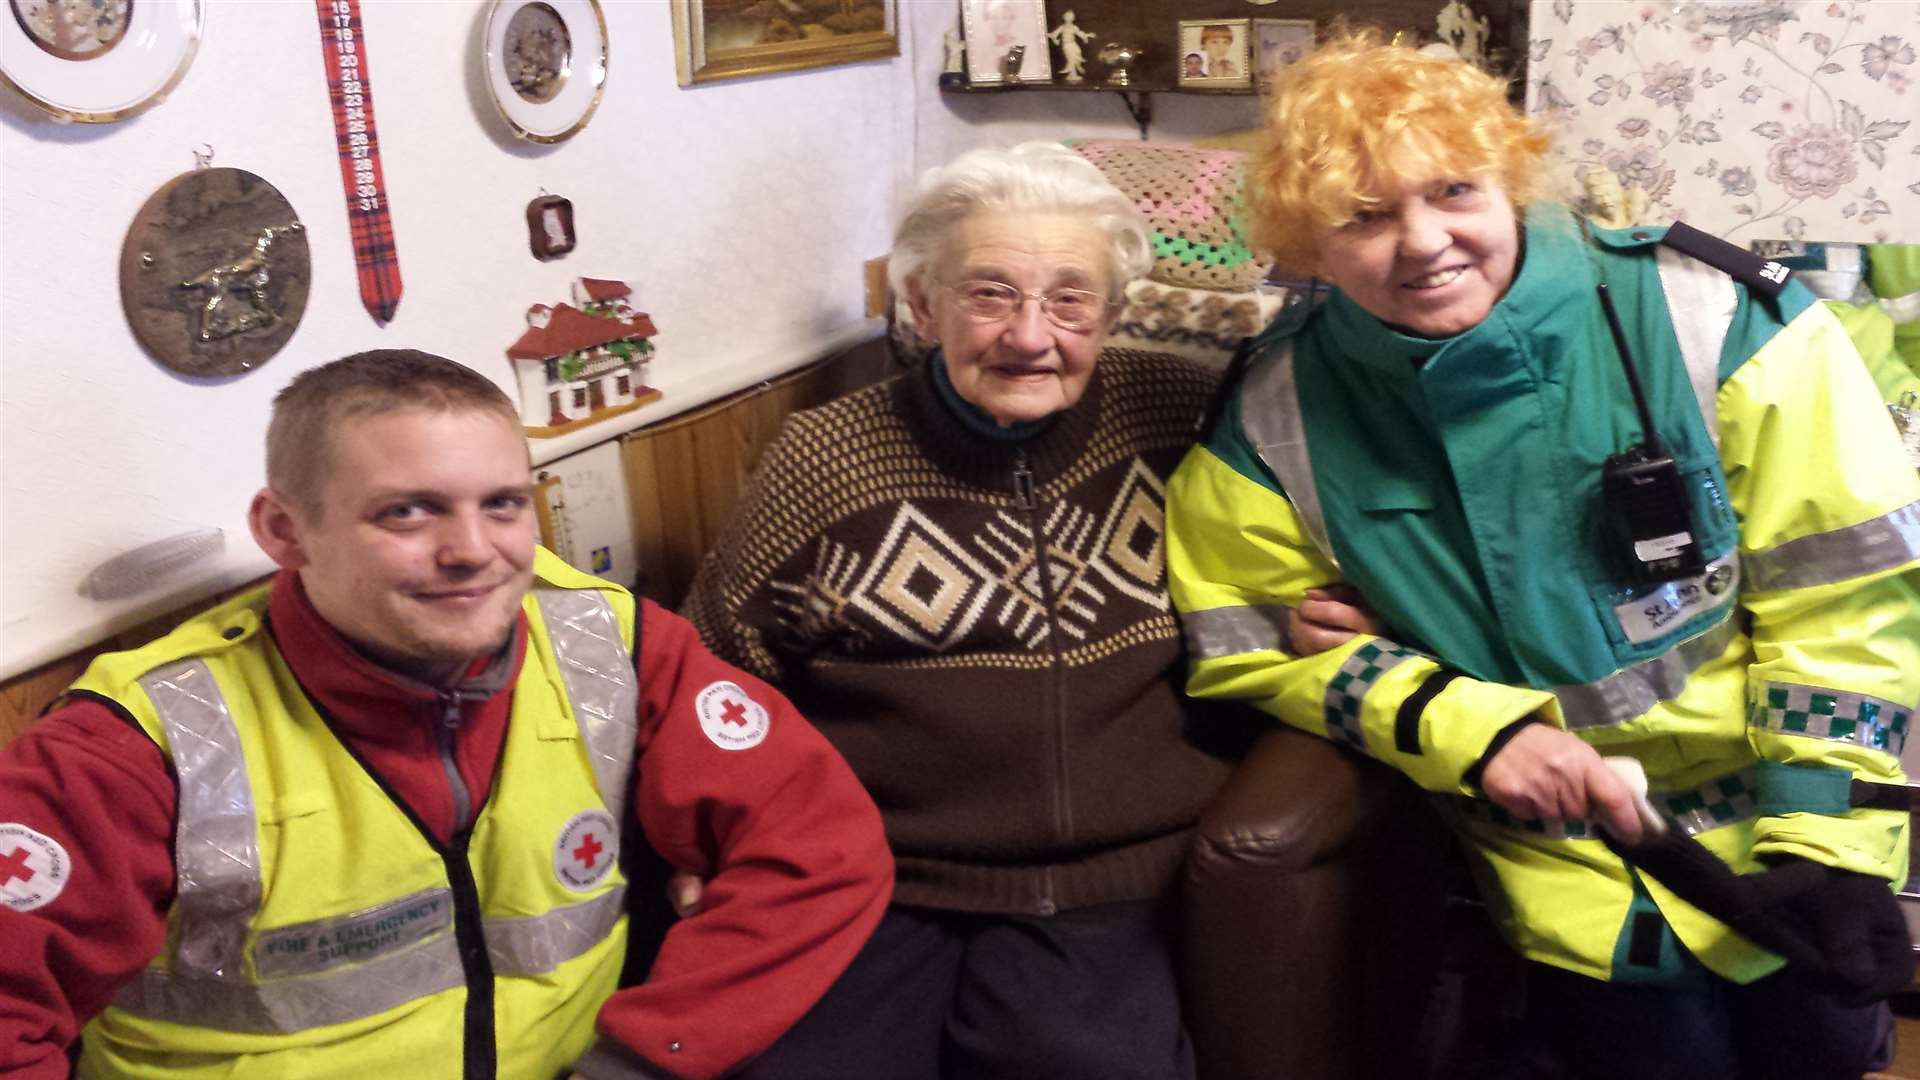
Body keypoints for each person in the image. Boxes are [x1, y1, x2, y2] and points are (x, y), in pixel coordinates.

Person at [1165, 31, 1920, 1080]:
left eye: (1453, 190)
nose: (1423, 242)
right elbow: (1246, 635)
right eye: (1365, 217)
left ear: (1511, 177)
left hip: (1786, 832)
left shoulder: (1714, 315)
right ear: (1306, 244)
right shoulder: (1271, 412)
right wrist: (1463, 725)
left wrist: (1825, 836)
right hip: (1572, 875)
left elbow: (1846, 595)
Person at [0, 350, 893, 1080]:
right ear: (285, 530)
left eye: (503, 504)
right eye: (408, 512)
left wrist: (645, 1059)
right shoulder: (143, 742)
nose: (473, 552)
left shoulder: (608, 644)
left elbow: (819, 845)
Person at [681, 142, 1305, 1080]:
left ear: (1115, 314)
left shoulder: (1181, 417)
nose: (1029, 336)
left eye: (1068, 298)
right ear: (923, 306)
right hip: (870, 873)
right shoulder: (826, 455)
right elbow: (717, 671)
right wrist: (696, 828)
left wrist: (1325, 609)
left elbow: (1288, 555)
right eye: (989, 293)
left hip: (1111, 883)